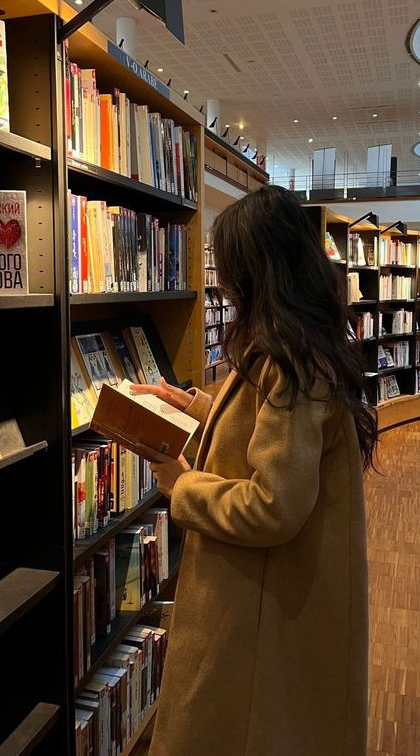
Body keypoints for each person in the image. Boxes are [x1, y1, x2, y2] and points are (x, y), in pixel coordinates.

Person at [132, 185, 376, 756]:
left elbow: (275, 505)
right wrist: (192, 403)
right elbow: (260, 426)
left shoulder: (291, 360)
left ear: (260, 269)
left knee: (235, 729)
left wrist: (182, 486)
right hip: (269, 597)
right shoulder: (295, 345)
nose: (223, 280)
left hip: (261, 611)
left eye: (231, 264)